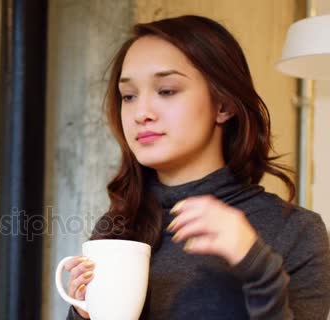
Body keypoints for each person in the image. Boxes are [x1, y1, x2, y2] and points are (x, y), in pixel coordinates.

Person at [63, 15, 330, 320]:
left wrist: (256, 265)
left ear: (224, 105)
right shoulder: (117, 229)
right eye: (129, 96)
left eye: (166, 90)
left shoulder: (297, 231)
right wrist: (83, 312)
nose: (141, 113)